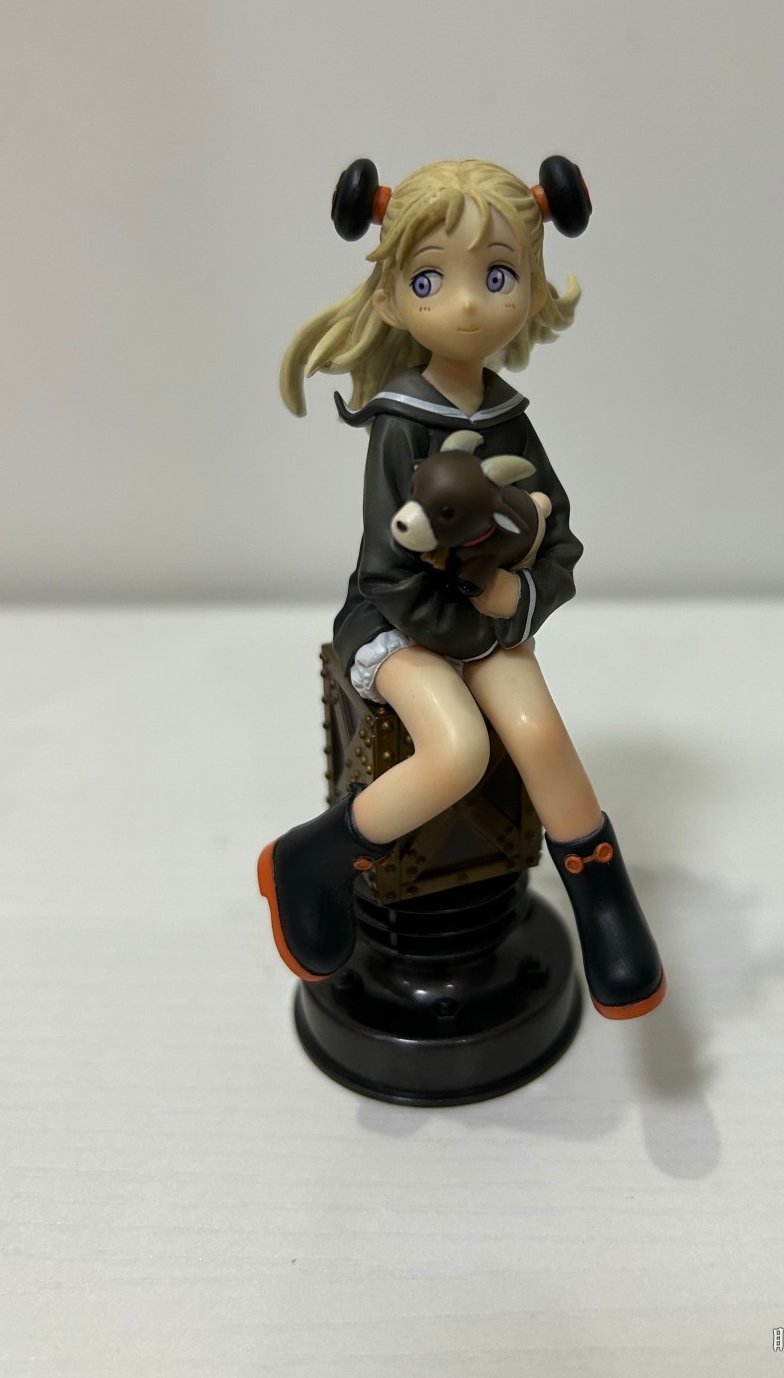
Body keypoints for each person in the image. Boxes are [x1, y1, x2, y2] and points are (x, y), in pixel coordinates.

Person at [258, 157, 664, 1019]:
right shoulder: (401, 424)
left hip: (487, 614)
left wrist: (521, 600)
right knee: (458, 749)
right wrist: (479, 631)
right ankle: (315, 857)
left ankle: (603, 899)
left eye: (499, 275)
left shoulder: (510, 421)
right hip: (400, 624)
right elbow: (387, 569)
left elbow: (561, 540)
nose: (469, 303)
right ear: (390, 299)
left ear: (532, 288)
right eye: (431, 279)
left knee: (539, 730)